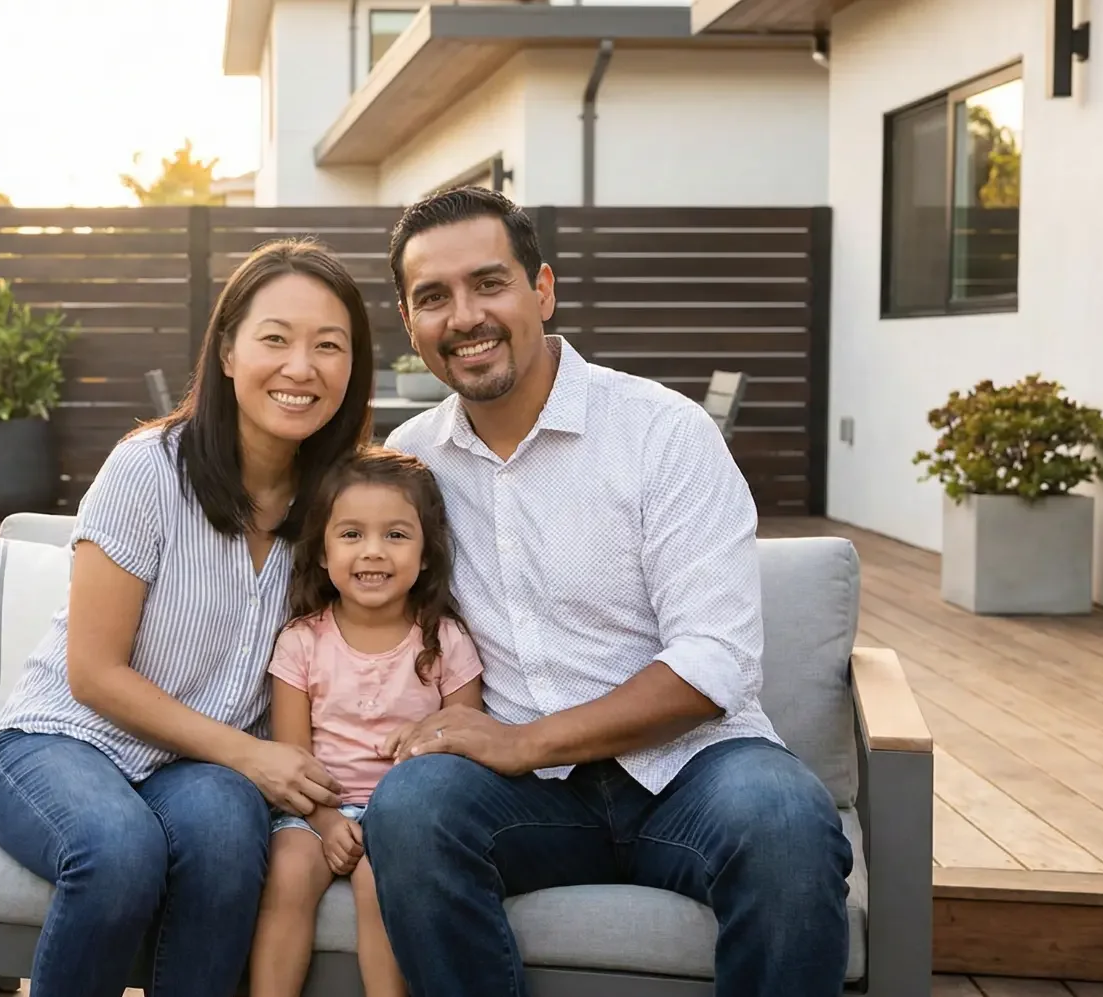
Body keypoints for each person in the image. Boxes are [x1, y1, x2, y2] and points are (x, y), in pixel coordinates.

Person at [361, 186, 854, 997]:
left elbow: (713, 662)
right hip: (527, 798)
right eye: (433, 298)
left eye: (490, 283)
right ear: (411, 326)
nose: (466, 316)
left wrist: (530, 740)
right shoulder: (415, 461)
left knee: (785, 820)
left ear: (542, 289)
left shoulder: (662, 433)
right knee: (412, 808)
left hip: (693, 770)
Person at [0, 239, 377, 997]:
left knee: (230, 839)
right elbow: (92, 673)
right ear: (227, 352)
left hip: (202, 769)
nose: (302, 367)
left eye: (329, 346)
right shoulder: (148, 468)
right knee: (118, 850)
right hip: (64, 739)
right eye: (275, 339)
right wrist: (248, 755)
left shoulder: (340, 508)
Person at [247, 446, 485, 997]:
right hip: (315, 809)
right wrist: (328, 822)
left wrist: (433, 740)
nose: (373, 551)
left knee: (381, 883)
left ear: (426, 554)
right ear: (324, 552)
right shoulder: (302, 641)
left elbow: (469, 742)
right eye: (351, 534)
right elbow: (292, 758)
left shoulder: (444, 639)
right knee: (287, 872)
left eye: (396, 535)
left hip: (404, 820)